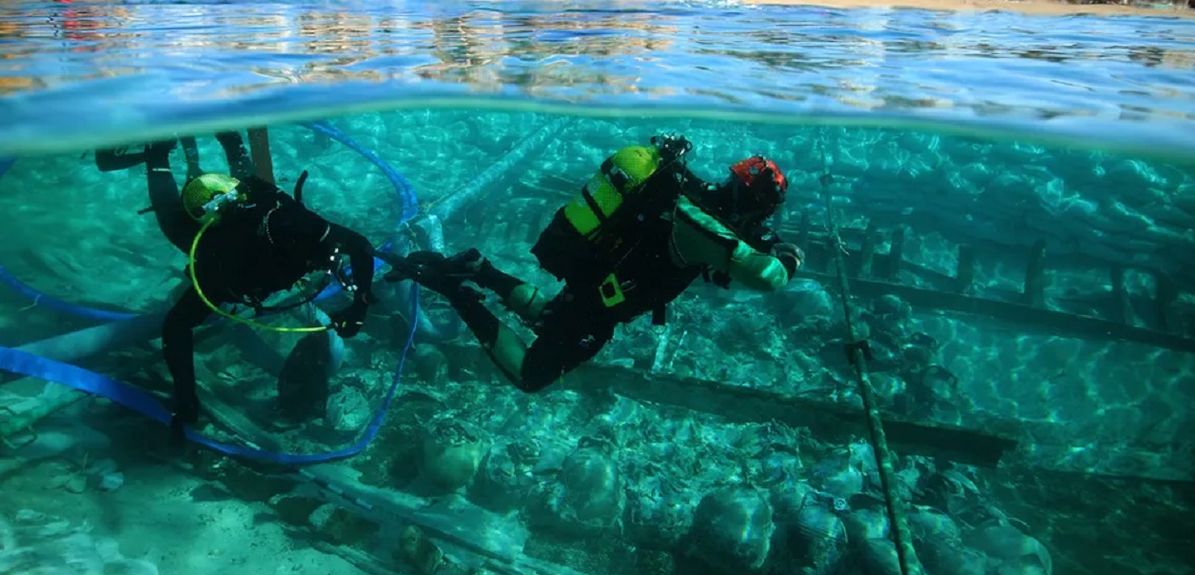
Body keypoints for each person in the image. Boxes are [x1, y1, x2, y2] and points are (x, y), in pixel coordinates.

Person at [384, 133, 804, 392]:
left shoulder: (691, 198)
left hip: (597, 283)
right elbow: (769, 278)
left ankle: (479, 268)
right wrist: (788, 255)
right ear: (753, 206)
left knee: (552, 315)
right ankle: (457, 290)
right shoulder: (704, 226)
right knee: (531, 375)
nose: (763, 223)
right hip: (600, 304)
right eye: (763, 213)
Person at [96, 131, 376, 443]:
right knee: (186, 216)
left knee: (236, 193)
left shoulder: (292, 226)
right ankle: (183, 151)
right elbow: (360, 247)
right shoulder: (231, 263)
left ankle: (171, 153)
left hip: (244, 222)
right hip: (232, 244)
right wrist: (359, 306)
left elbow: (176, 327)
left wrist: (186, 401)